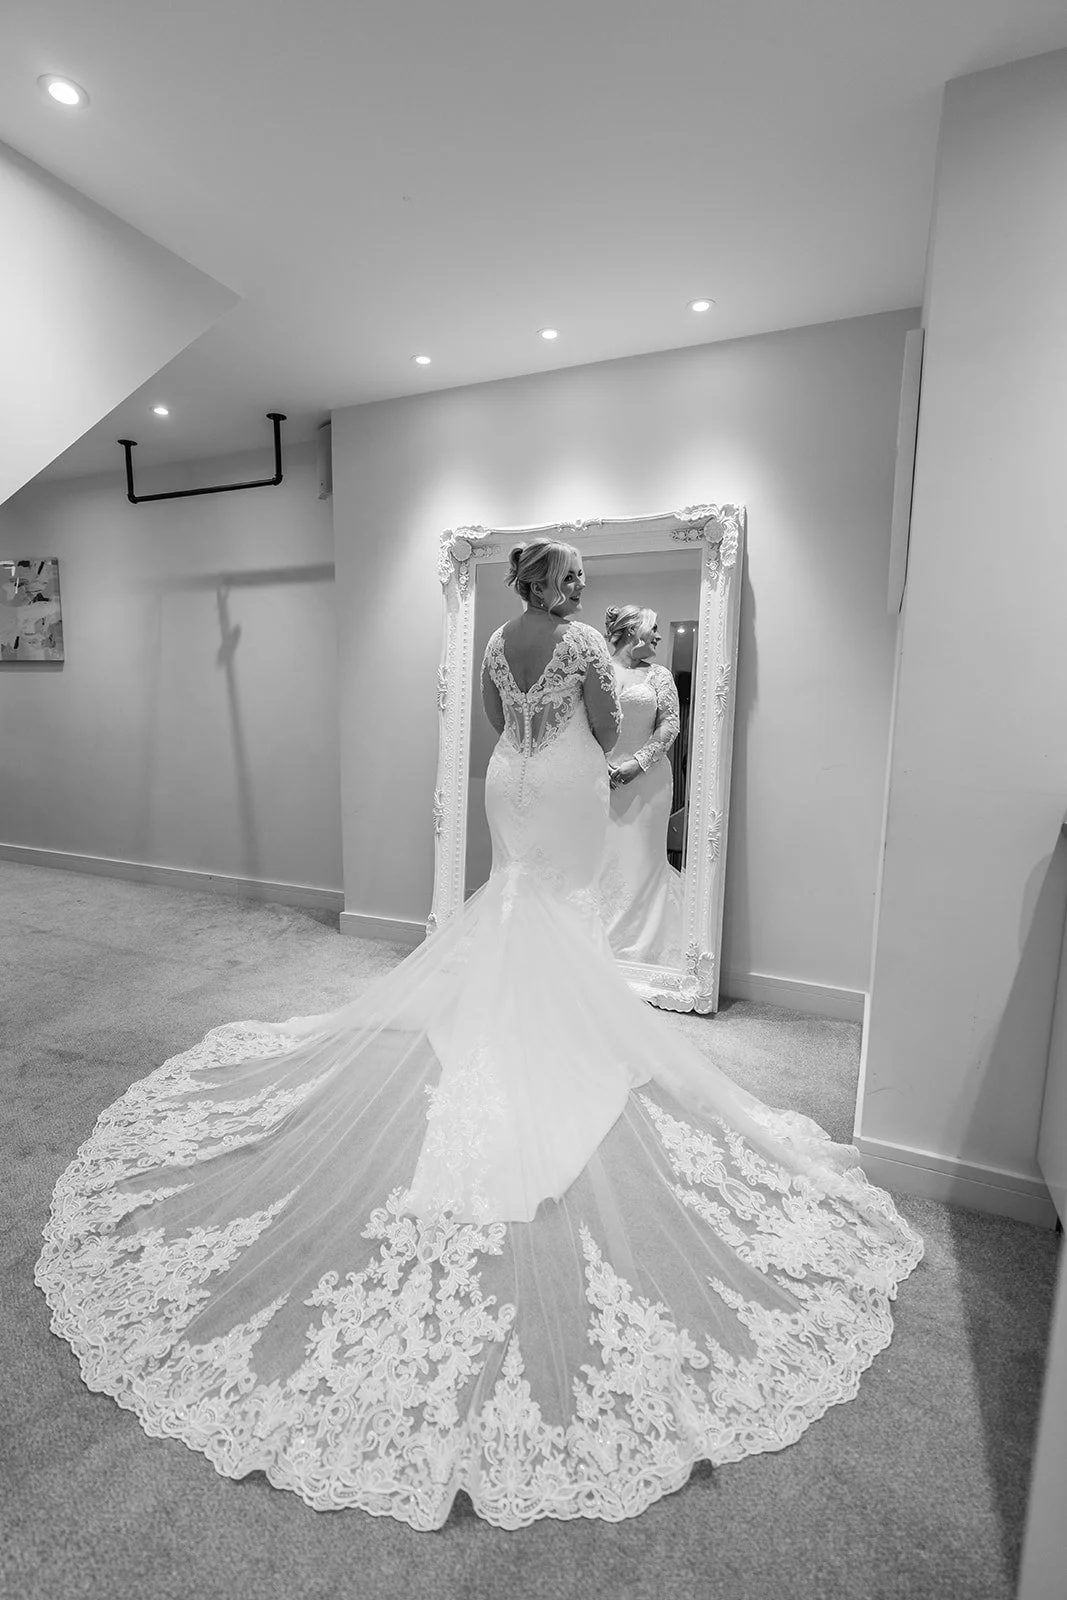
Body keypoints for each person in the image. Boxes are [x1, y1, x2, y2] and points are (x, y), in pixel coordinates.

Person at [36, 538, 922, 1532]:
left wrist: (535, 747)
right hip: (573, 781)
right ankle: (557, 1032)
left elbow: (502, 723)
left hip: (511, 780)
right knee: (563, 904)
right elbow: (595, 722)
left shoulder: (499, 639)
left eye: (579, 575)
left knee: (514, 896)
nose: (578, 586)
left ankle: (513, 1013)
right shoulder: (582, 641)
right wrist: (581, 736)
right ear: (538, 582)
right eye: (566, 574)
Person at [600, 604, 686, 965]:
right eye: (654, 627)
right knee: (602, 858)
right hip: (599, 778)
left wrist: (637, 763)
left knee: (642, 857)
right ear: (632, 630)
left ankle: (642, 948)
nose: (659, 635)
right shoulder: (599, 670)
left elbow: (669, 725)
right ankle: (599, 942)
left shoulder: (660, 676)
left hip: (648, 781)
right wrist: (597, 765)